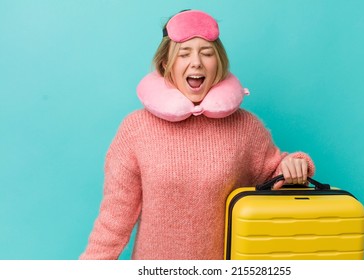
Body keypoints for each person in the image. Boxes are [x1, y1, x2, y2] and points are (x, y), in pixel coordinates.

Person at [80, 9, 315, 260]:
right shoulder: (135, 130)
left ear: (219, 64)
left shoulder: (246, 127)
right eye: (184, 54)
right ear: (165, 64)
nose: (196, 62)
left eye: (206, 53)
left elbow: (275, 176)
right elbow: (113, 221)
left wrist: (296, 164)